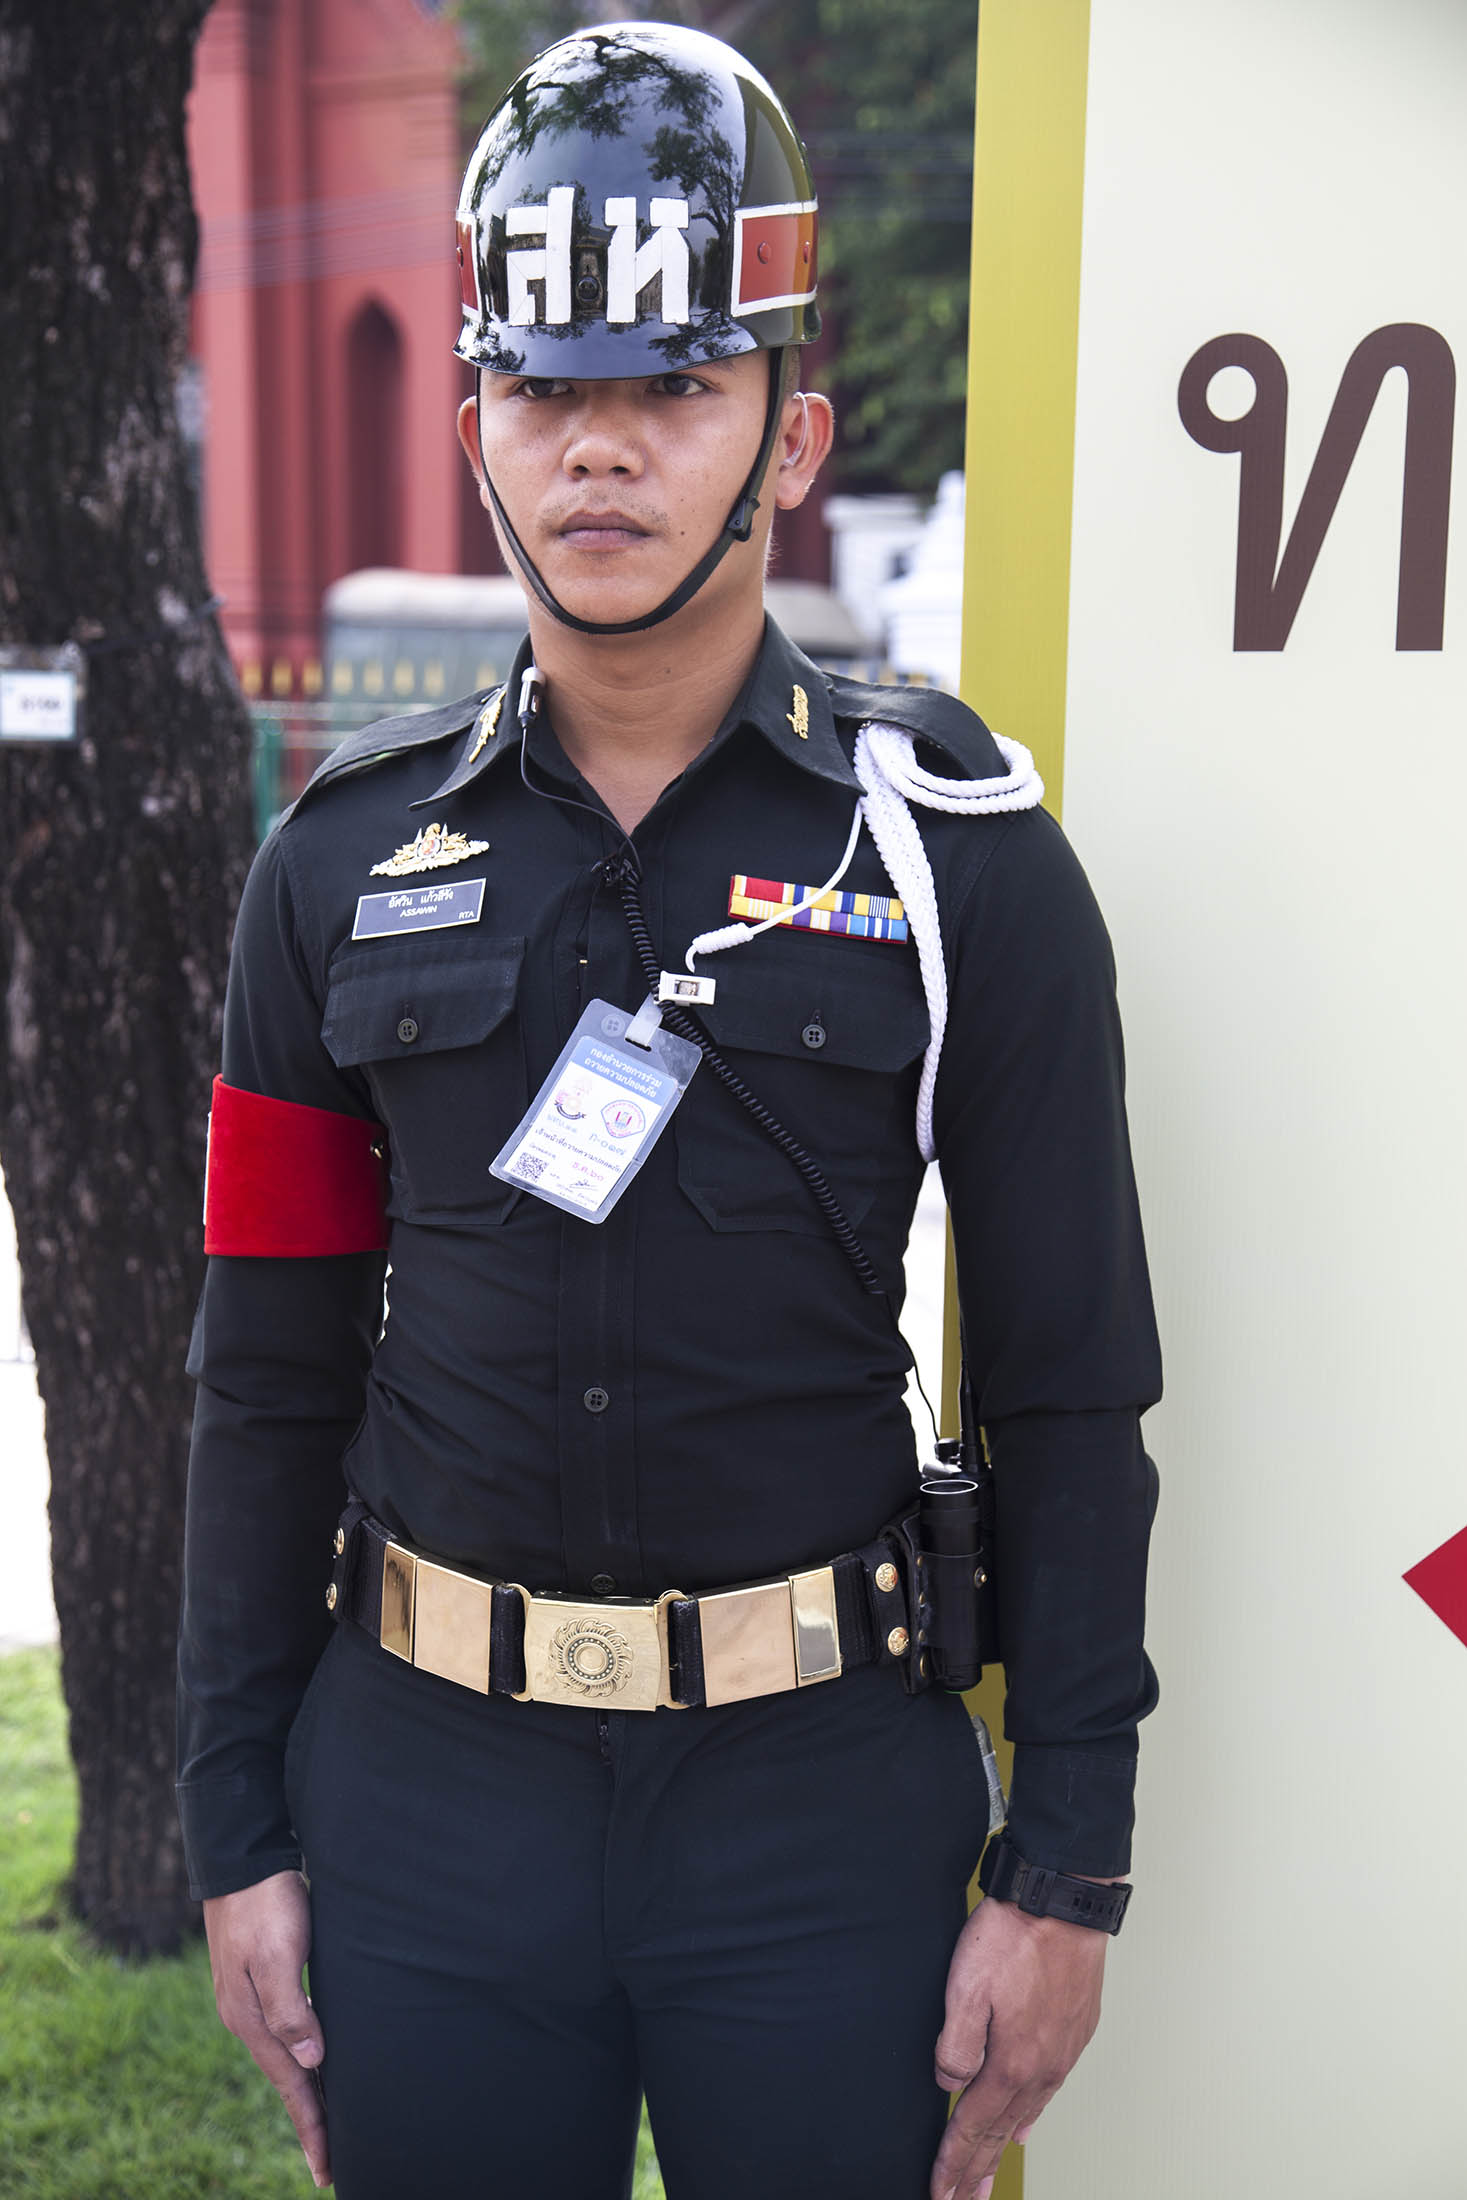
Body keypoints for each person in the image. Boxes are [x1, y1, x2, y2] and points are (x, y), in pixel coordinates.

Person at [177, 23, 1160, 2200]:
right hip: (424, 1810)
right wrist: (234, 1823)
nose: (598, 454)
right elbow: (261, 1377)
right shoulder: (324, 864)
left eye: (674, 388)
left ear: (789, 433)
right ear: (470, 431)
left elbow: (1073, 1394)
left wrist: (1063, 1863)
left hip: (819, 1822)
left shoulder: (961, 851)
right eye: (545, 391)